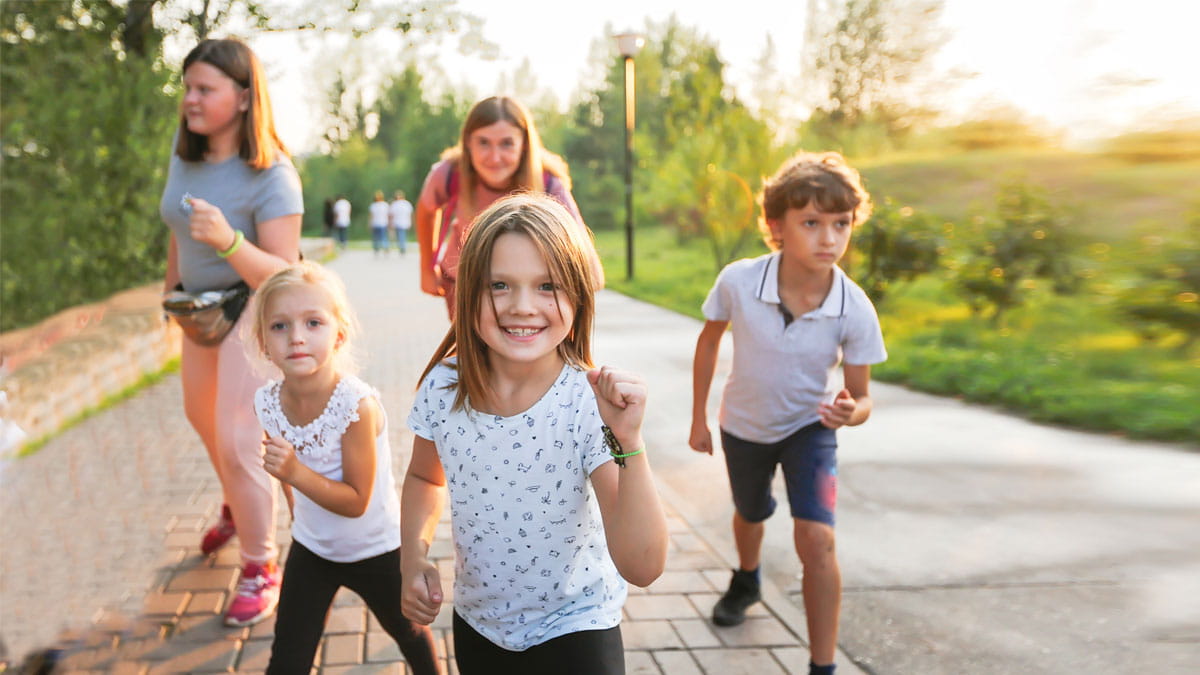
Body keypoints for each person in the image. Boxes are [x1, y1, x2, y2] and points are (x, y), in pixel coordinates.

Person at [400, 194, 667, 674]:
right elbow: (424, 479)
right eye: (499, 285)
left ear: (578, 296)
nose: (522, 307)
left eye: (547, 286)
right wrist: (412, 556)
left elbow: (643, 565)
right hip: (479, 626)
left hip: (577, 628)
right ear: (467, 293)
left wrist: (629, 444)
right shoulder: (442, 388)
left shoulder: (587, 404)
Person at [688, 152, 887, 675]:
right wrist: (698, 418)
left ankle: (823, 666)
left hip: (810, 431)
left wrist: (851, 411)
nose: (829, 238)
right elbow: (708, 343)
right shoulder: (739, 281)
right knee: (751, 513)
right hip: (744, 427)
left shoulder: (854, 306)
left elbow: (862, 397)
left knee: (817, 540)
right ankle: (747, 577)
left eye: (840, 224)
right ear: (777, 227)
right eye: (812, 223)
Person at [158, 37, 303, 627]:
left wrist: (229, 242)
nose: (189, 99)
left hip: (251, 311)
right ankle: (238, 506)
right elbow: (175, 225)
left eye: (203, 89)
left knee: (240, 436)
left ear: (243, 98)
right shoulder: (184, 154)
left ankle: (260, 564)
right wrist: (168, 292)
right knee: (202, 418)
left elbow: (288, 271)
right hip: (198, 310)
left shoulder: (272, 174)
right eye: (187, 87)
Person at [249, 262, 440, 674]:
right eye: (279, 326)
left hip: (377, 548)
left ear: (338, 333)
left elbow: (356, 501)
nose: (296, 337)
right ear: (263, 342)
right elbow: (286, 475)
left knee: (410, 635)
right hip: (313, 550)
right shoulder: (267, 402)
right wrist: (300, 513)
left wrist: (295, 473)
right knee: (287, 660)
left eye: (313, 322)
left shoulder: (355, 406)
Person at [414, 96, 604, 320]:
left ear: (524, 145)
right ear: (468, 143)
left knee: (516, 350)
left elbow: (588, 265)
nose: (495, 157)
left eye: (506, 143)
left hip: (523, 285)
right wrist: (427, 268)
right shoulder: (450, 173)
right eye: (483, 143)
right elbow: (426, 210)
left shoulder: (547, 182)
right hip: (464, 279)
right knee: (472, 351)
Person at [389, 189, 413, 254]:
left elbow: (391, 215)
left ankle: (402, 247)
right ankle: (403, 246)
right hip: (405, 222)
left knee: (400, 235)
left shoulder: (394, 204)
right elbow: (410, 214)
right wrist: (410, 222)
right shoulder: (407, 204)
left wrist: (390, 223)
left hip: (397, 223)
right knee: (403, 235)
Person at [369, 190, 390, 256]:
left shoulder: (374, 205)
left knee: (377, 237)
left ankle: (378, 248)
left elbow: (371, 216)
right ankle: (383, 248)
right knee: (382, 237)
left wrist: (370, 223)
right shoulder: (385, 205)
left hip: (378, 223)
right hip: (382, 223)